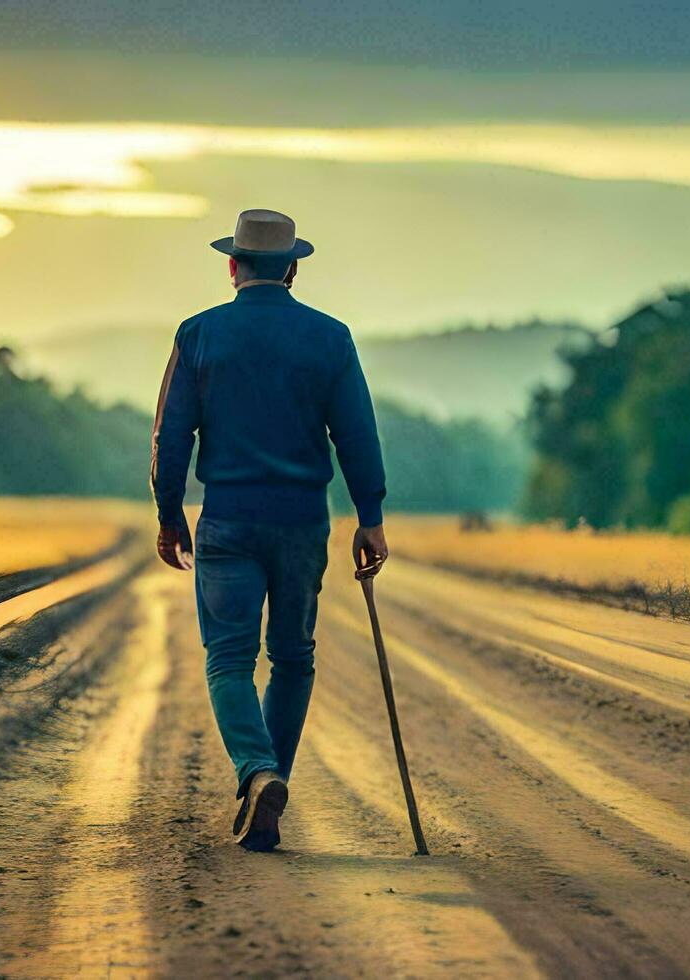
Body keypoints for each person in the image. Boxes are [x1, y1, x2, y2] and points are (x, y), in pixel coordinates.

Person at [151, 208, 389, 852]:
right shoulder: (331, 338)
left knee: (228, 659)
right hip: (302, 522)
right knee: (293, 660)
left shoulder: (198, 335)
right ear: (292, 270)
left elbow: (171, 433)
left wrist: (169, 512)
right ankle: (271, 787)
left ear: (232, 266)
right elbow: (357, 434)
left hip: (227, 519)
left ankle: (257, 775)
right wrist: (370, 515)